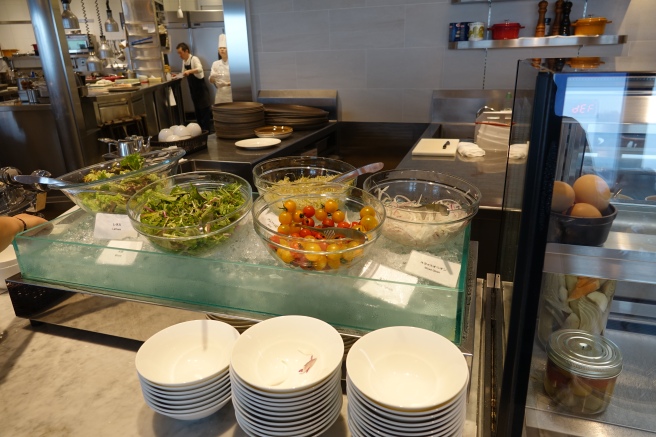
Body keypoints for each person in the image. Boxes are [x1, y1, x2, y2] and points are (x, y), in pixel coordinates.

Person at [175, 42, 211, 132]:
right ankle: (200, 132)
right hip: (193, 90)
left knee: (204, 110)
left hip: (201, 90)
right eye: (178, 53)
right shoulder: (184, 61)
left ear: (186, 51)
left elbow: (199, 69)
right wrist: (176, 76)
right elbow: (183, 73)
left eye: (180, 53)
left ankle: (207, 131)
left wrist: (190, 71)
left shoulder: (194, 59)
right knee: (197, 111)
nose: (179, 55)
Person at [209, 34, 232, 104]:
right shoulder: (215, 63)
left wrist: (226, 84)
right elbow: (211, 81)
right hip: (220, 95)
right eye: (220, 48)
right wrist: (212, 78)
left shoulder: (234, 63)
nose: (222, 50)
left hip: (232, 94)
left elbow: (238, 81)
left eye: (224, 48)